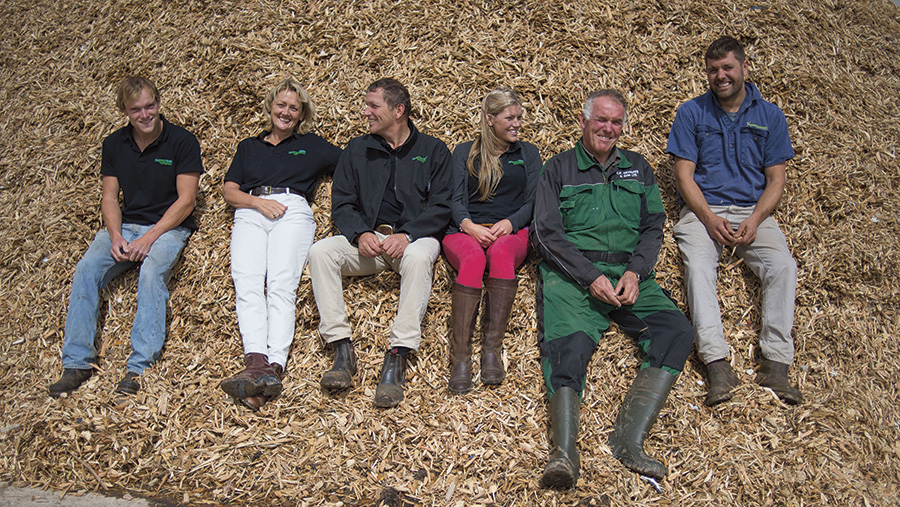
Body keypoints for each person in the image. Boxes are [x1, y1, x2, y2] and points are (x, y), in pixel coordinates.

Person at [531, 90, 693, 487]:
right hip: (573, 276)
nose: (608, 128)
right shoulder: (558, 168)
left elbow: (654, 225)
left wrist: (636, 272)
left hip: (628, 273)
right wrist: (590, 276)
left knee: (676, 331)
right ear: (584, 121)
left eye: (616, 122)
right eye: (601, 120)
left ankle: (628, 441)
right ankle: (565, 455)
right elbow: (546, 234)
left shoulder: (638, 168)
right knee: (568, 349)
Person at [667, 36, 802, 406]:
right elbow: (683, 176)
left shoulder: (770, 115)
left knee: (783, 266)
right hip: (702, 208)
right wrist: (708, 218)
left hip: (752, 210)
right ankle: (717, 364)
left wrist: (757, 218)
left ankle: (776, 364)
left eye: (727, 68)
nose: (720, 76)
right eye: (713, 70)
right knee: (698, 268)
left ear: (744, 67)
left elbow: (776, 180)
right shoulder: (692, 113)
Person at [48, 76, 203, 397]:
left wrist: (150, 238)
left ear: (159, 103)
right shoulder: (114, 144)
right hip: (127, 224)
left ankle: (139, 367)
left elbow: (186, 200)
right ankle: (76, 361)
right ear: (124, 111)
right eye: (136, 110)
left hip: (169, 227)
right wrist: (116, 235)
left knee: (150, 273)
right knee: (86, 269)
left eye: (150, 106)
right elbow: (109, 197)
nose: (145, 115)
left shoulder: (182, 141)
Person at [307, 78, 451, 408]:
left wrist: (408, 234)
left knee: (418, 258)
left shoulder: (432, 151)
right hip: (370, 243)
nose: (366, 112)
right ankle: (342, 350)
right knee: (321, 252)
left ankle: (397, 356)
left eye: (374, 106)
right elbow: (342, 202)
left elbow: (442, 206)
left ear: (399, 110)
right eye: (367, 105)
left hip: (413, 241)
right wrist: (360, 233)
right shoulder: (357, 150)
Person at [220, 78, 341, 411]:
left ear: (301, 114)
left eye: (293, 108)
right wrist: (258, 204)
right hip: (251, 209)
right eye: (281, 105)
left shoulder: (313, 145)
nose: (285, 112)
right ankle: (256, 362)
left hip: (292, 211)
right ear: (270, 107)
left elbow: (350, 164)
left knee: (280, 285)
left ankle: (274, 366)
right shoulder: (249, 146)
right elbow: (230, 191)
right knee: (246, 282)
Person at [442, 88, 541, 394]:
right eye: (510, 117)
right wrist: (468, 225)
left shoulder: (528, 154)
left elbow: (534, 200)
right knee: (473, 260)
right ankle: (460, 360)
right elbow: (454, 199)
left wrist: (511, 223)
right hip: (465, 229)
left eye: (519, 117)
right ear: (490, 119)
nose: (517, 123)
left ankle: (491, 350)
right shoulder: (464, 152)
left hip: (511, 231)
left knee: (499, 256)